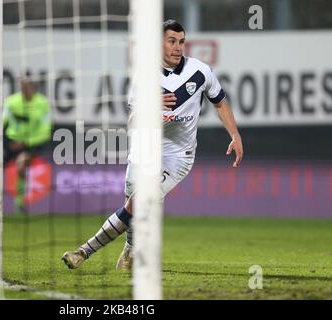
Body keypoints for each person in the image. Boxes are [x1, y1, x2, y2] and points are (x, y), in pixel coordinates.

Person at [61, 19, 243, 270]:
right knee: (132, 203)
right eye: (171, 41)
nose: (178, 47)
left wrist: (235, 134)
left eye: (181, 42)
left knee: (139, 202)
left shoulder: (200, 71)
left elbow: (220, 102)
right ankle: (131, 249)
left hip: (178, 155)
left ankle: (83, 251)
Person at [3, 72, 52, 211]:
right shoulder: (11, 102)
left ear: (34, 87)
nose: (25, 88)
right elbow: (2, 121)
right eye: (23, 85)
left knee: (21, 163)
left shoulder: (42, 104)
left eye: (28, 86)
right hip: (10, 141)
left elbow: (46, 130)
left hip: (29, 144)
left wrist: (26, 143)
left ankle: (19, 203)